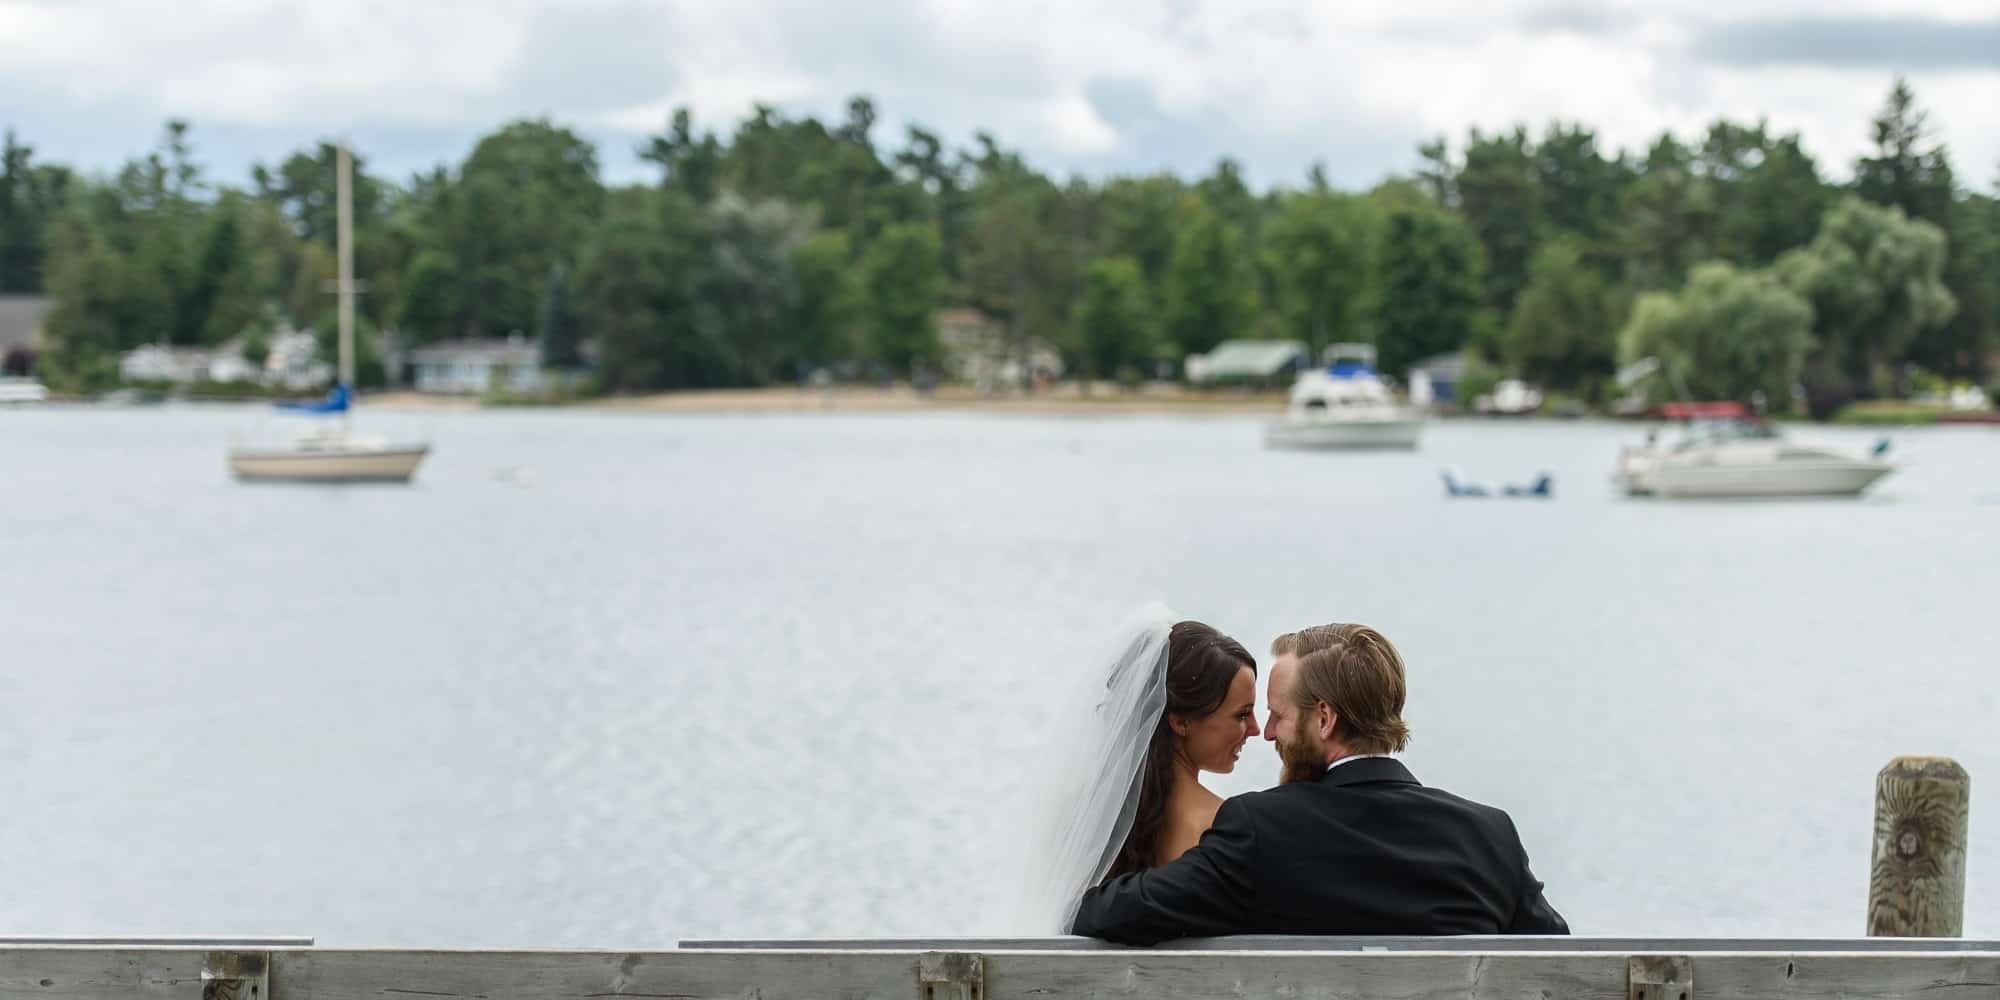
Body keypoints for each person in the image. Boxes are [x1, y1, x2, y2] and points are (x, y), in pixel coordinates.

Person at [1070, 622, 1568, 944]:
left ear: (1324, 719)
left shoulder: (1259, 829)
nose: (1267, 733)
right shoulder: (1490, 835)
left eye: (1278, 716)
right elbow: (1559, 960)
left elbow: (1105, 914)